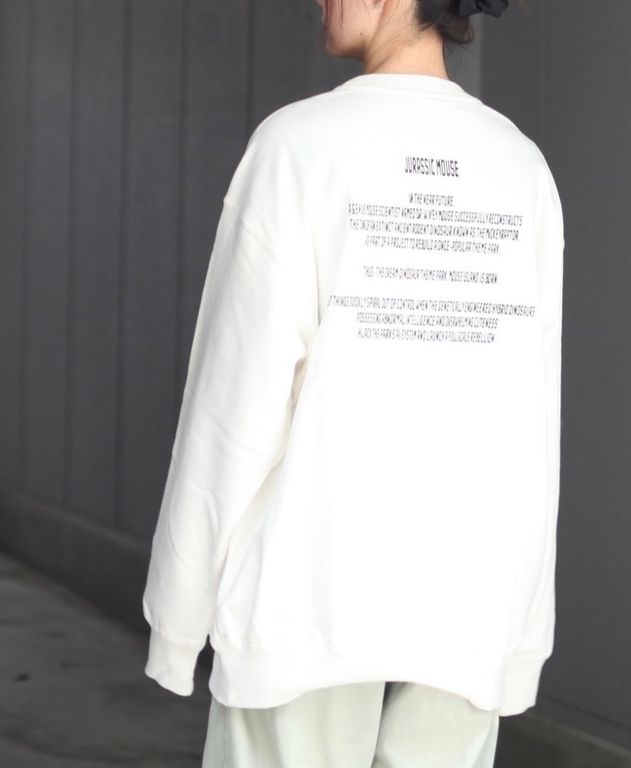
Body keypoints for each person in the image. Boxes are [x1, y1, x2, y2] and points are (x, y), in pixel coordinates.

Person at [141, 0, 564, 765]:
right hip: (471, 610)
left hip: (307, 601)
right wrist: (522, 636)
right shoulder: (520, 165)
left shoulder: (298, 146)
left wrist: (177, 619)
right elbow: (533, 420)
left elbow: (233, 407)